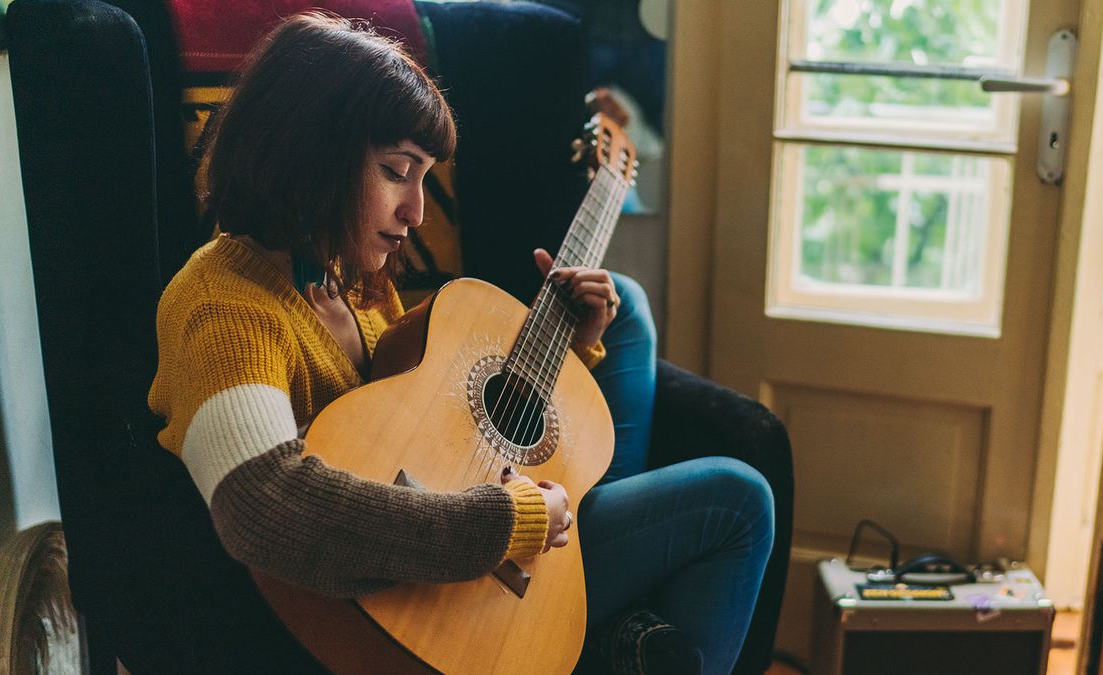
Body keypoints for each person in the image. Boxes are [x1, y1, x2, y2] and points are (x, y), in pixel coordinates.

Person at [148, 11, 773, 674]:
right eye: (398, 171)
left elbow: (421, 415)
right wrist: (503, 524)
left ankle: (597, 615)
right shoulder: (221, 304)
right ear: (312, 155)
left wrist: (576, 351)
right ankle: (604, 625)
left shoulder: (340, 275)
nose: (417, 212)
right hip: (435, 585)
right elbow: (263, 507)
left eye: (425, 178)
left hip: (467, 516)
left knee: (622, 311)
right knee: (738, 499)